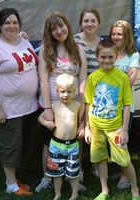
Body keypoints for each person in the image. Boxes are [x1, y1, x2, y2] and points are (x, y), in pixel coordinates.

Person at [0, 7, 38, 196]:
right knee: (9, 146)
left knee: (21, 145)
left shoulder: (23, 40)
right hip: (7, 108)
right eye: (7, 23)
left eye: (15, 23)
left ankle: (14, 179)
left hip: (28, 106)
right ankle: (11, 185)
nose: (11, 26)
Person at [35, 11, 87, 192]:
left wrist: (82, 106)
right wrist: (48, 108)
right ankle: (47, 177)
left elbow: (82, 78)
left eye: (61, 26)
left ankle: (75, 174)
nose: (59, 31)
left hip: (74, 105)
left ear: (67, 26)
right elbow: (43, 79)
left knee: (75, 140)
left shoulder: (78, 49)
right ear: (49, 32)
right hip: (51, 103)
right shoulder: (45, 49)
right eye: (54, 28)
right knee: (49, 143)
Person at [84, 39, 140, 200]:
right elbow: (88, 103)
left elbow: (127, 105)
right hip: (96, 128)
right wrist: (87, 127)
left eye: (110, 57)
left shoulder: (122, 78)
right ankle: (104, 190)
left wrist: (123, 130)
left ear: (116, 57)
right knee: (100, 158)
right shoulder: (93, 77)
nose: (107, 61)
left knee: (124, 160)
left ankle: (135, 191)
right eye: (103, 57)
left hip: (115, 128)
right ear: (97, 57)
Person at [38, 73, 81, 200]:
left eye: (69, 91)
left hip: (72, 145)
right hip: (56, 144)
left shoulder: (77, 106)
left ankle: (74, 194)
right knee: (56, 172)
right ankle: (58, 193)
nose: (66, 95)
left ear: (74, 91)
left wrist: (82, 127)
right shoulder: (54, 106)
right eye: (62, 92)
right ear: (57, 91)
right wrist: (46, 123)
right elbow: (40, 117)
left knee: (73, 172)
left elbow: (84, 119)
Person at [109, 20, 140, 190]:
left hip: (125, 107)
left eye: (119, 34)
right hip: (109, 106)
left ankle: (124, 174)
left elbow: (131, 81)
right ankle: (121, 168)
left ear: (127, 35)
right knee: (114, 140)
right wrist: (122, 78)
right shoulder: (109, 52)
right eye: (113, 33)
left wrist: (113, 81)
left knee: (123, 140)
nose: (115, 37)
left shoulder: (133, 55)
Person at [74, 8, 102, 180]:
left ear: (98, 23)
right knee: (78, 130)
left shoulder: (103, 42)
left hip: (99, 95)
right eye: (86, 21)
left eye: (93, 21)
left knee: (95, 128)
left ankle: (95, 165)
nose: (89, 24)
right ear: (81, 23)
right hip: (78, 91)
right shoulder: (74, 41)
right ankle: (78, 167)